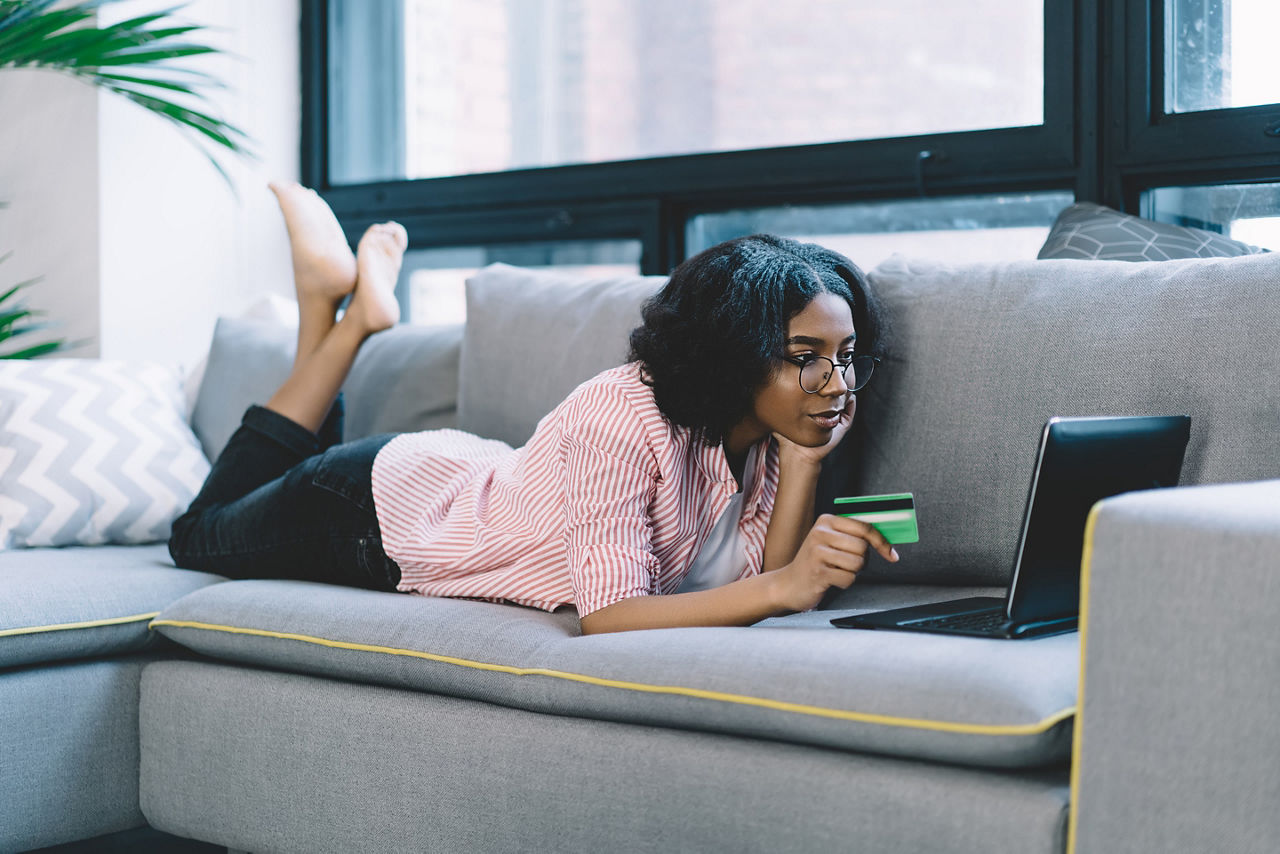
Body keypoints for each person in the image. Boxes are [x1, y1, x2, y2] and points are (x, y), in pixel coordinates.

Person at [169, 182, 899, 634]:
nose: (836, 382)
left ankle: (325, 302)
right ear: (734, 351)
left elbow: (753, 580)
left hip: (459, 476)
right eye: (805, 358)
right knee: (199, 537)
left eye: (844, 356)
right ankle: (348, 324)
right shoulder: (622, 415)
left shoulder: (769, 432)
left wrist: (804, 463)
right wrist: (786, 586)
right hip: (371, 509)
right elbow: (609, 617)